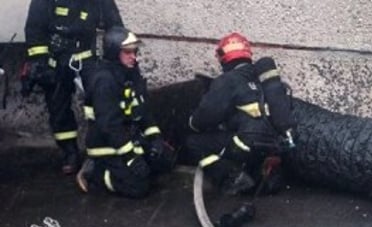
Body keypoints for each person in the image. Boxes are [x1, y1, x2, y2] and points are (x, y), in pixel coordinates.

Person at [184, 32, 295, 196]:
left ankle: (232, 178)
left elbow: (206, 117)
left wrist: (192, 123)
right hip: (274, 145)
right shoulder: (261, 77)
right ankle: (260, 181)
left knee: (193, 143)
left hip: (246, 145)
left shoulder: (228, 80)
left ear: (223, 57)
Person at [22, 0, 124, 174]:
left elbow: (115, 26)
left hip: (87, 58)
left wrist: (117, 58)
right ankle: (69, 152)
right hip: (56, 60)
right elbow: (34, 28)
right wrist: (40, 62)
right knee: (58, 107)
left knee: (101, 103)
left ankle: (100, 151)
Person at [75, 27, 175, 198]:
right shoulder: (104, 80)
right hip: (106, 145)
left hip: (129, 137)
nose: (133, 57)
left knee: (165, 161)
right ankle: (95, 174)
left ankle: (126, 168)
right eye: (128, 52)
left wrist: (155, 138)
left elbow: (142, 110)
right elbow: (110, 127)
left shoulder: (130, 73)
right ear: (114, 53)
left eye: (134, 52)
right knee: (139, 187)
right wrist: (131, 157)